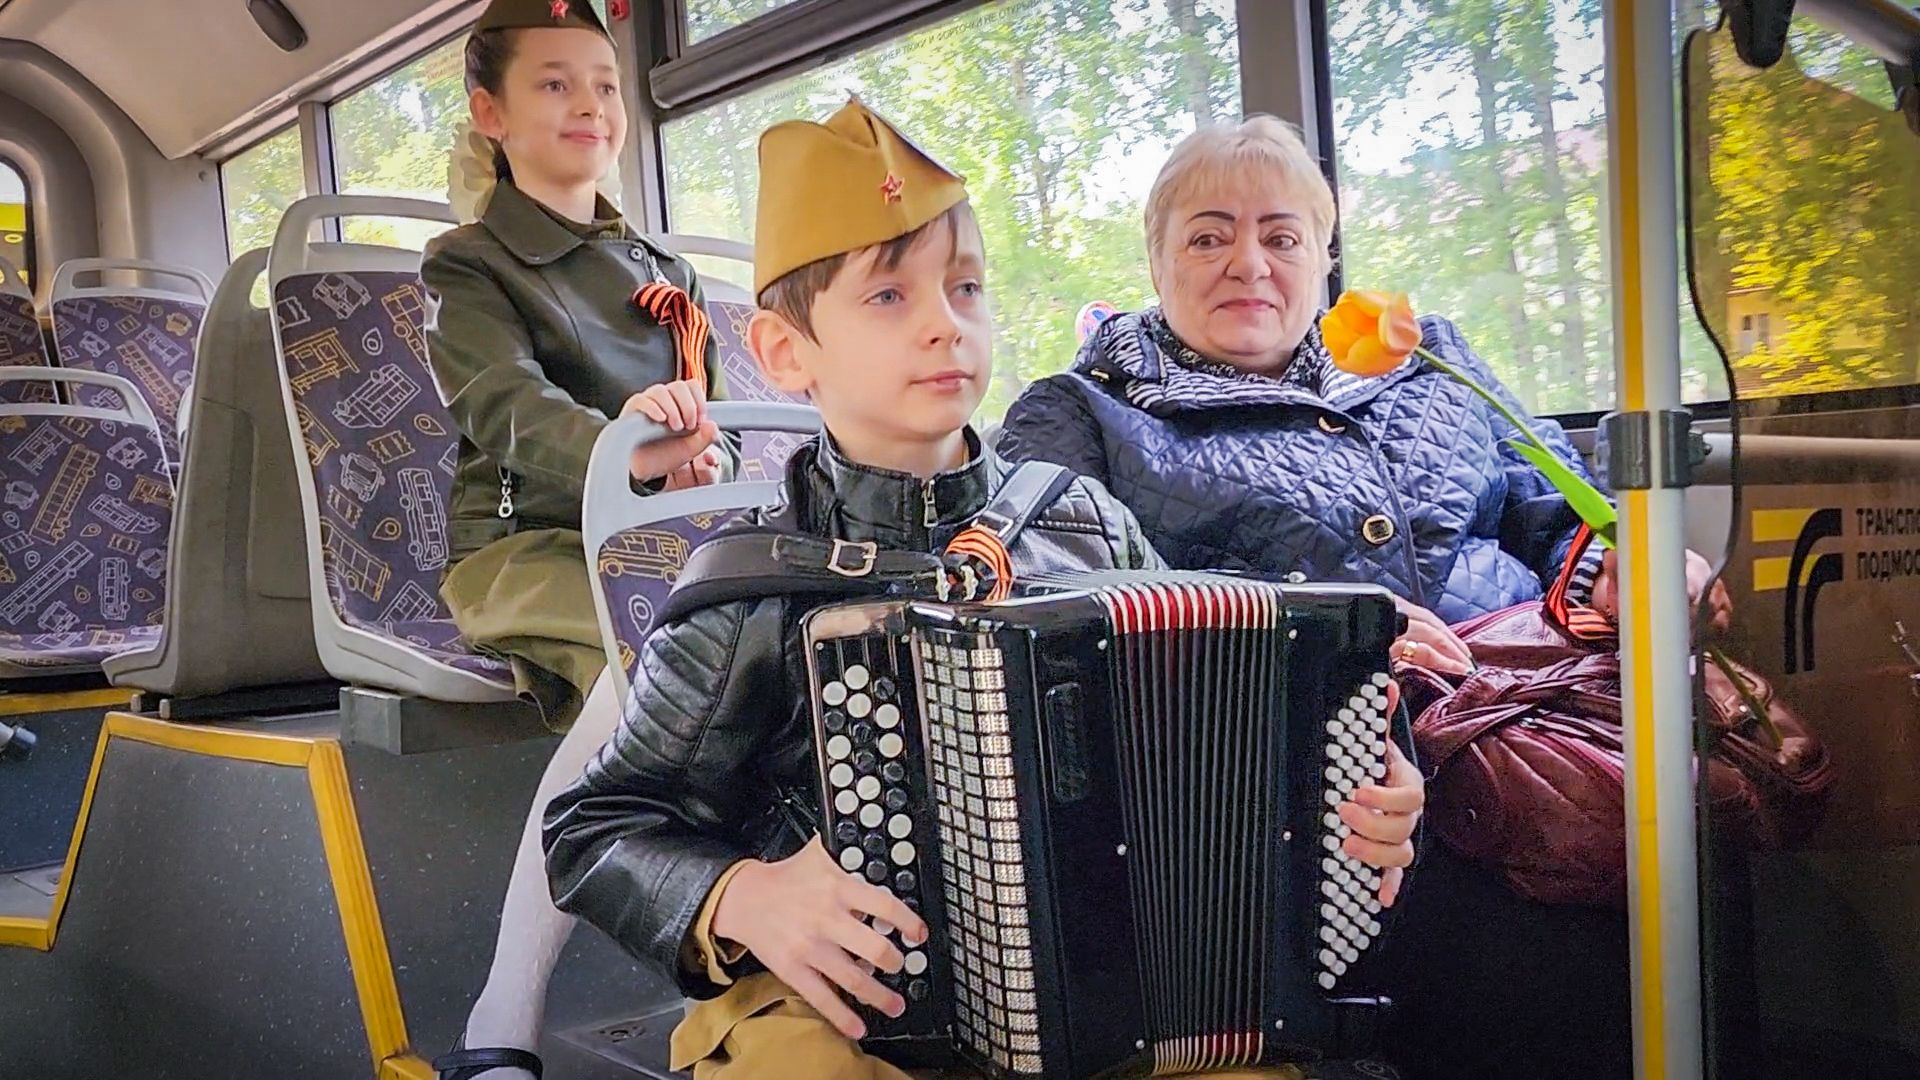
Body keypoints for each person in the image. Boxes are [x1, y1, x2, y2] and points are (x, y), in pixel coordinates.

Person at [541, 98, 1427, 1080]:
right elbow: (594, 831)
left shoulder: (1085, 524)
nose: (944, 326)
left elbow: (1229, 728)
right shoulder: (748, 586)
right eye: (889, 297)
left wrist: (1366, 785)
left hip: (1114, 981)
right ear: (788, 353)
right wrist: (742, 897)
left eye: (966, 289)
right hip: (847, 996)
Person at [995, 116, 1728, 1079]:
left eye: (1282, 235)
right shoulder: (1082, 414)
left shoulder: (1431, 362)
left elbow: (1553, 509)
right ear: (1158, 259)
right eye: (1209, 236)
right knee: (1515, 948)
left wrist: (1625, 566)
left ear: (1324, 257)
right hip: (1301, 777)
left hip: (1530, 706)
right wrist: (1330, 637)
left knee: (1708, 876)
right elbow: (1056, 616)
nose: (1248, 263)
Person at [419, 2, 732, 1077]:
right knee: (656, 649)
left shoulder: (664, 269)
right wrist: (627, 452)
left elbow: (716, 421)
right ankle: (502, 1016)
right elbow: (500, 403)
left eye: (603, 84)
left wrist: (703, 462)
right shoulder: (470, 265)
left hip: (665, 538)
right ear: (489, 112)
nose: (591, 104)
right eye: (555, 83)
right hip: (526, 545)